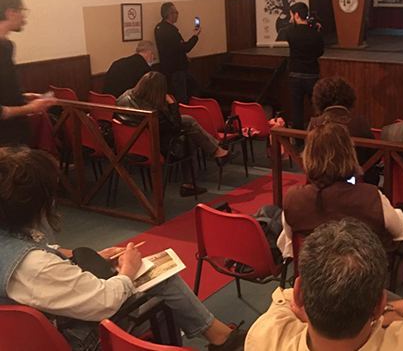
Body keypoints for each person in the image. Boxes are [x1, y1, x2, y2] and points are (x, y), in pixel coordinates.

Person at [0, 146, 243, 351]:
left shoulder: (12, 241)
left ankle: (217, 334)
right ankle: (220, 338)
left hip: (20, 338)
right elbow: (105, 302)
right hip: (77, 338)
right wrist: (128, 270)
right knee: (160, 279)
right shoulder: (36, 266)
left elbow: (39, 250)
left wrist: (81, 256)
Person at [249, 219, 403, 350]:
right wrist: (390, 311)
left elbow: (285, 299)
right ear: (378, 305)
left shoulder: (264, 336)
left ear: (300, 294)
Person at [277, 122, 403, 259]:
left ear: (308, 157)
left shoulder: (293, 199)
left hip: (312, 270)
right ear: (350, 155)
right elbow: (400, 233)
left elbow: (290, 247)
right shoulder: (371, 197)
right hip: (364, 270)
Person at [116, 71, 230, 197]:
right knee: (189, 138)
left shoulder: (124, 98)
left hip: (127, 146)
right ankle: (211, 157)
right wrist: (172, 104)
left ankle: (215, 151)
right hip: (155, 148)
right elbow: (175, 127)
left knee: (189, 124)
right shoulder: (153, 112)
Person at [0, 0, 56, 147]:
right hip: (6, 142)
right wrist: (31, 108)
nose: (24, 17)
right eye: (21, 10)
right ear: (10, 12)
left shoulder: (6, 46)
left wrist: (22, 97)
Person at [308, 76, 379, 185]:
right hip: (357, 183)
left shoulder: (314, 124)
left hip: (321, 183)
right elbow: (374, 156)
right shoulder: (360, 122)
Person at [285, 2, 324, 135]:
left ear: (296, 15)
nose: (290, 19)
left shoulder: (289, 32)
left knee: (296, 109)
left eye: (291, 15)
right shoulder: (315, 33)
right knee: (317, 107)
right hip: (312, 74)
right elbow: (320, 52)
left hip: (295, 74)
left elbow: (292, 29)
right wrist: (315, 28)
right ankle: (319, 136)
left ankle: (298, 140)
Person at [154, 2, 200, 104]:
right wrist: (195, 36)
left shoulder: (158, 28)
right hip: (177, 70)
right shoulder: (171, 31)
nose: (177, 14)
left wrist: (183, 56)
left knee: (173, 96)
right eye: (176, 12)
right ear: (169, 14)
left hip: (166, 68)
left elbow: (172, 48)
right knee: (183, 97)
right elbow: (185, 47)